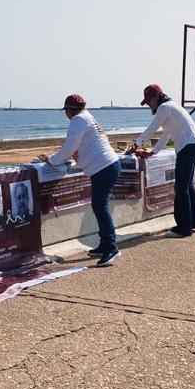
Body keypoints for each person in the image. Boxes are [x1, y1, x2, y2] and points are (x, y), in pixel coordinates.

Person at [40, 94, 121, 266]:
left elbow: (70, 148)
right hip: (108, 165)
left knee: (100, 207)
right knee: (100, 206)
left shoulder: (78, 120)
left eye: (66, 111)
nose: (66, 114)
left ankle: (111, 248)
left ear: (69, 110)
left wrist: (50, 160)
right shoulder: (88, 117)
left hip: (103, 168)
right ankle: (105, 243)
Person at [127, 84, 195, 238]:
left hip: (187, 147)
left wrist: (135, 145)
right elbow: (166, 135)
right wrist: (153, 152)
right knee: (188, 186)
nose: (148, 104)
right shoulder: (172, 107)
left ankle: (183, 228)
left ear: (157, 97)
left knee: (181, 189)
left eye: (149, 101)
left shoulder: (164, 108)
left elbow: (151, 129)